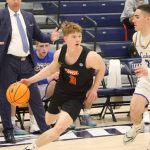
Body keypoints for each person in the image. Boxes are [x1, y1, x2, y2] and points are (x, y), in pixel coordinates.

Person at [20, 21, 106, 150]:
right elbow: (50, 70)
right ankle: (63, 122)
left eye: (79, 36)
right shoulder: (60, 53)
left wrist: (94, 89)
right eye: (74, 36)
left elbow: (102, 69)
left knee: (58, 128)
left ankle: (32, 147)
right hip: (61, 92)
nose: (78, 39)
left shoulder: (90, 56)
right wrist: (30, 80)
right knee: (48, 121)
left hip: (77, 96)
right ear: (65, 38)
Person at [0, 0, 59, 143]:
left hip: (26, 61)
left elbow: (38, 35)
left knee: (34, 96)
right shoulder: (1, 15)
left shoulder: (28, 16)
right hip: (8, 61)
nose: (15, 1)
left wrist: (50, 38)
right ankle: (8, 130)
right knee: (6, 97)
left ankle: (45, 129)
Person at [122, 4, 150, 146]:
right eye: (133, 16)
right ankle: (137, 127)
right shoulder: (135, 37)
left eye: (137, 17)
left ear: (148, 19)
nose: (133, 20)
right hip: (147, 79)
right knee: (134, 111)